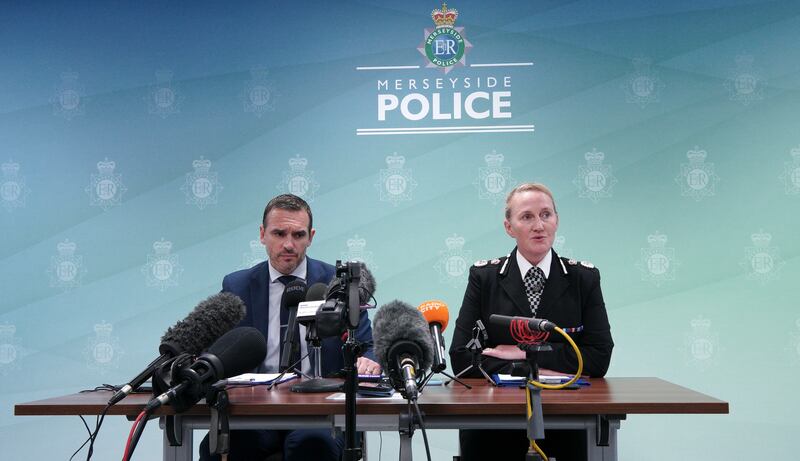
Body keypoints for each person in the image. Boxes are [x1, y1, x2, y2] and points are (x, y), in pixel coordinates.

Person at [200, 193, 381, 461]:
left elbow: (367, 348)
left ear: (311, 236)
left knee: (313, 444)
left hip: (321, 410)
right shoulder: (237, 286)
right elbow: (218, 349)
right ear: (262, 234)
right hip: (256, 410)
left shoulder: (339, 284)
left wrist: (369, 361)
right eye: (279, 233)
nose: (288, 244)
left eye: (298, 235)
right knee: (220, 447)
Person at [449, 183, 614, 461]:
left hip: (565, 421)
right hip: (493, 424)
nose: (539, 225)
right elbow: (463, 359)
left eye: (546, 214)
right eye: (527, 217)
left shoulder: (583, 278)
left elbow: (598, 358)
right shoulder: (484, 277)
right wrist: (545, 366)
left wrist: (523, 353)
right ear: (509, 227)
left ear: (557, 221)